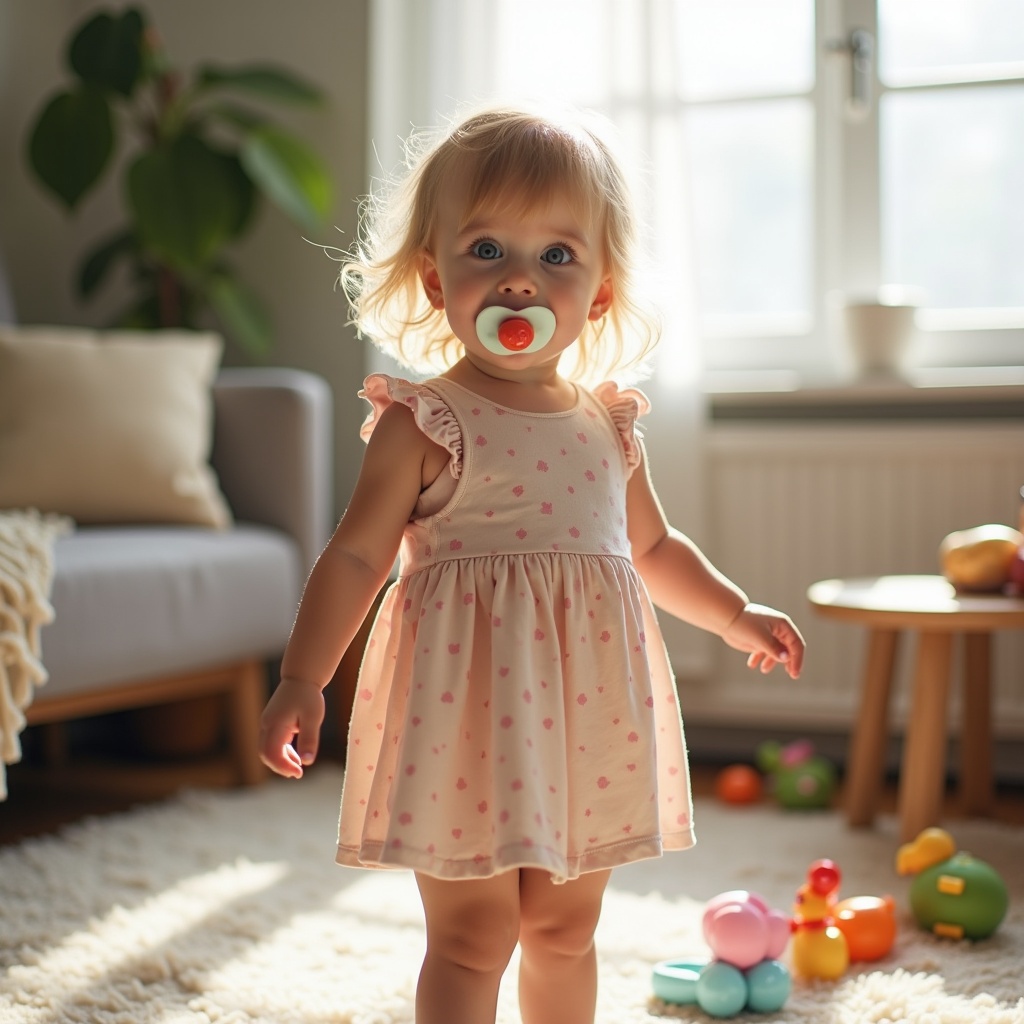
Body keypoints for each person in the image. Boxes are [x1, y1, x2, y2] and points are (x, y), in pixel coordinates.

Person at [258, 104, 806, 1024]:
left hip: (584, 717)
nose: (520, 283)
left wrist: (734, 613)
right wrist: (304, 677)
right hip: (459, 718)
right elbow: (356, 554)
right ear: (435, 279)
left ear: (597, 290)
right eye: (486, 252)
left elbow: (655, 550)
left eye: (556, 256)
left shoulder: (607, 425)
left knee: (564, 931)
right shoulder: (421, 421)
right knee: (472, 939)